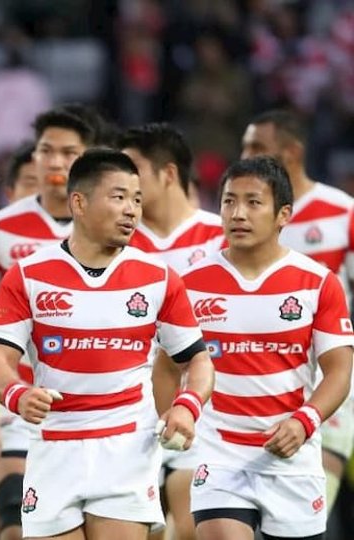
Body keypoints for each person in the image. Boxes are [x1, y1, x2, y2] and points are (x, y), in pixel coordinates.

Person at [0, 148, 215, 539]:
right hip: (53, 448)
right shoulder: (28, 275)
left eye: (137, 199)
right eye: (119, 196)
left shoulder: (158, 277)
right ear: (79, 202)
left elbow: (198, 360)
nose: (131, 210)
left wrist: (187, 407)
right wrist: (16, 394)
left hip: (126, 448)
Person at [184, 156, 354, 539]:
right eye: (228, 201)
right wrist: (177, 416)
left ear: (283, 215)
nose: (237, 213)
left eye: (253, 202)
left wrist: (305, 420)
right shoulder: (191, 284)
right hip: (220, 455)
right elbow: (166, 364)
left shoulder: (318, 283)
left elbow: (340, 371)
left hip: (292, 456)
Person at [0, 104, 104, 540]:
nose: (55, 161)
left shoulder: (116, 225)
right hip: (21, 399)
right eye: (46, 150)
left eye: (69, 152)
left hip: (99, 405)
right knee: (14, 516)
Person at [241, 109, 354, 512]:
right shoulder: (243, 213)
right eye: (245, 145)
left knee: (311, 501)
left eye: (257, 146)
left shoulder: (341, 211)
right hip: (260, 372)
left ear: (291, 153)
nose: (246, 154)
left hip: (328, 367)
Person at [119, 123, 224, 540]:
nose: (125, 184)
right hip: (125, 412)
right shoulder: (115, 243)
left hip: (201, 410)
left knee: (189, 523)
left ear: (167, 173)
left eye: (135, 171)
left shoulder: (222, 238)